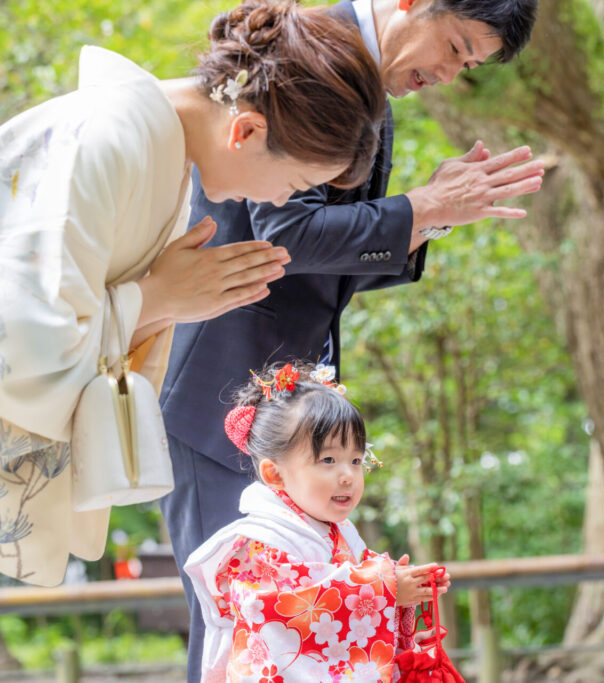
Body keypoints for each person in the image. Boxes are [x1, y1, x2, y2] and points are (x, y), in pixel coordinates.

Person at [159, 0, 538, 676]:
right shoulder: (310, 53)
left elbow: (319, 271)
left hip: (295, 408)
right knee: (240, 626)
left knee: (314, 630)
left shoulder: (370, 85)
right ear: (413, 4)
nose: (450, 73)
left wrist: (427, 220)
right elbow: (287, 234)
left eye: (469, 65)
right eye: (454, 47)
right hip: (223, 402)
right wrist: (418, 209)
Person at [0, 0, 385, 586]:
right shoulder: (111, 137)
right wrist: (159, 300)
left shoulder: (160, 152)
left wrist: (163, 301)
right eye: (298, 184)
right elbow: (22, 346)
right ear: (247, 130)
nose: (282, 203)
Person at [185, 362, 449, 682]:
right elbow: (277, 610)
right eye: (328, 460)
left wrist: (400, 594)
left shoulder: (339, 532)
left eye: (356, 460)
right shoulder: (258, 543)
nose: (348, 476)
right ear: (275, 474)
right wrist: (385, 589)